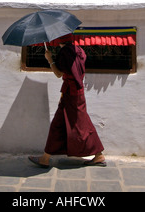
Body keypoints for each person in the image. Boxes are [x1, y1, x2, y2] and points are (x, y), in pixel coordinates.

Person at [28, 36, 106, 168]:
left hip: (71, 94)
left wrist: (50, 59)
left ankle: (98, 155)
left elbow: (58, 74)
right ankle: (45, 158)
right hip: (75, 93)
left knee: (79, 125)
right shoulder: (78, 49)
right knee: (63, 124)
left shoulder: (65, 53)